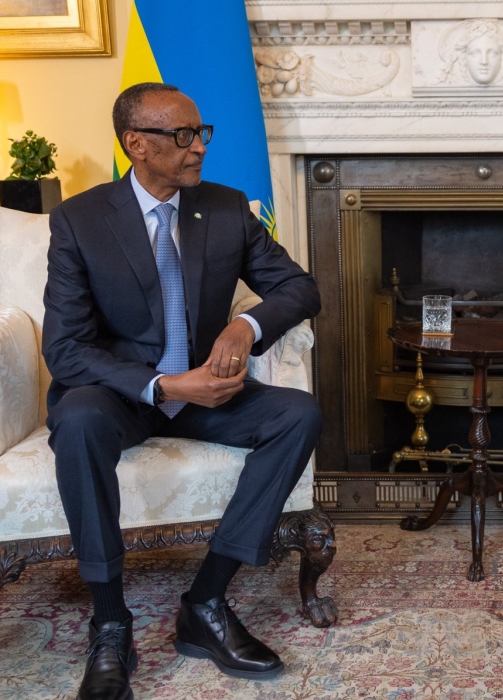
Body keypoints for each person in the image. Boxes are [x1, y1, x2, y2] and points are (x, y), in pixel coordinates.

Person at [42, 82, 322, 700]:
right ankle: (111, 621)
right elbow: (64, 349)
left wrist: (243, 327)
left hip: (206, 396)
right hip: (119, 396)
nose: (198, 148)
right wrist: (164, 383)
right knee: (80, 419)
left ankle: (206, 602)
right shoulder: (80, 220)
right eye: (181, 136)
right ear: (135, 144)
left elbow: (300, 288)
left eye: (202, 133)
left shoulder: (224, 209)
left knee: (297, 414)